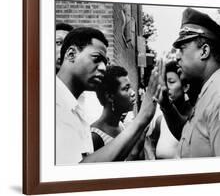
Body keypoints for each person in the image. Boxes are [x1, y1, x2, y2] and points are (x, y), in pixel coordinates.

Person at [56, 27, 159, 165]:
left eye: (105, 62)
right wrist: (142, 118)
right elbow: (74, 172)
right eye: (96, 58)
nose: (103, 67)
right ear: (71, 54)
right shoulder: (49, 103)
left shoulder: (82, 104)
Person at [161, 8, 220, 158]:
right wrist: (166, 104)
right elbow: (194, 141)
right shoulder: (209, 90)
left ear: (204, 51)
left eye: (183, 48)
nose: (177, 56)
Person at [144, 61, 193, 159]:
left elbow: (185, 133)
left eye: (171, 82)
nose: (165, 87)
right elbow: (149, 142)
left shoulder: (195, 116)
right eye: (164, 82)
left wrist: (165, 104)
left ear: (185, 87)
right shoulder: (160, 121)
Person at [91, 65, 136, 150]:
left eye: (130, 87)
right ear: (110, 97)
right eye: (126, 89)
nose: (133, 93)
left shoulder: (120, 125)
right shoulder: (95, 137)